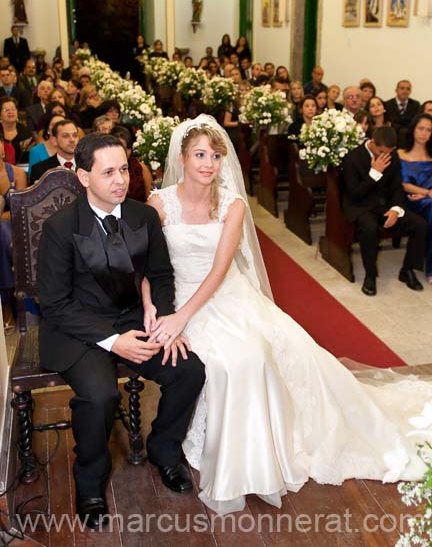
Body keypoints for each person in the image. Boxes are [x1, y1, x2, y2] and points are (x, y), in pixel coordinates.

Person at [145, 114, 432, 515]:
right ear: (183, 157)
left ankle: (256, 452)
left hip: (222, 296)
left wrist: (181, 318)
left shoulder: (233, 204)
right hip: (175, 296)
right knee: (226, 362)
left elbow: (219, 271)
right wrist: (155, 311)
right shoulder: (159, 203)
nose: (208, 164)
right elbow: (145, 264)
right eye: (199, 155)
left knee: (252, 354)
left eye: (214, 155)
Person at [36, 133, 205, 528]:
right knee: (100, 395)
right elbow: (55, 304)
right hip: (79, 329)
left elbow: (161, 275)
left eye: (124, 169)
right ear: (83, 177)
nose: (120, 180)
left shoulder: (143, 216)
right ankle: (90, 484)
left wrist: (163, 319)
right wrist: (114, 342)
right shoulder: (60, 228)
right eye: (108, 171)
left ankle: (165, 451)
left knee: (189, 370)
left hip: (134, 318)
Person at [342, 125, 427, 296]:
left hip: (385, 206)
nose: (384, 156)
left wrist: (396, 209)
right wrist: (374, 173)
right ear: (372, 143)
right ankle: (370, 275)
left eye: (388, 152)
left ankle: (408, 270)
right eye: (381, 151)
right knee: (369, 229)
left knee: (420, 225)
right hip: (361, 206)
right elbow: (355, 194)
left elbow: (396, 187)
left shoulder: (391, 155)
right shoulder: (353, 158)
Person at [398, 114, 432, 283]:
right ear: (413, 130)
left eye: (428, 130)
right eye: (420, 128)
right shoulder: (401, 154)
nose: (424, 133)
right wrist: (426, 192)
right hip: (409, 201)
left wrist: (428, 193)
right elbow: (403, 184)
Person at [0, 131, 27, 334]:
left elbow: (21, 209)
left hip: (15, 228)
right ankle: (8, 300)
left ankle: (7, 303)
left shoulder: (17, 173)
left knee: (2, 231)